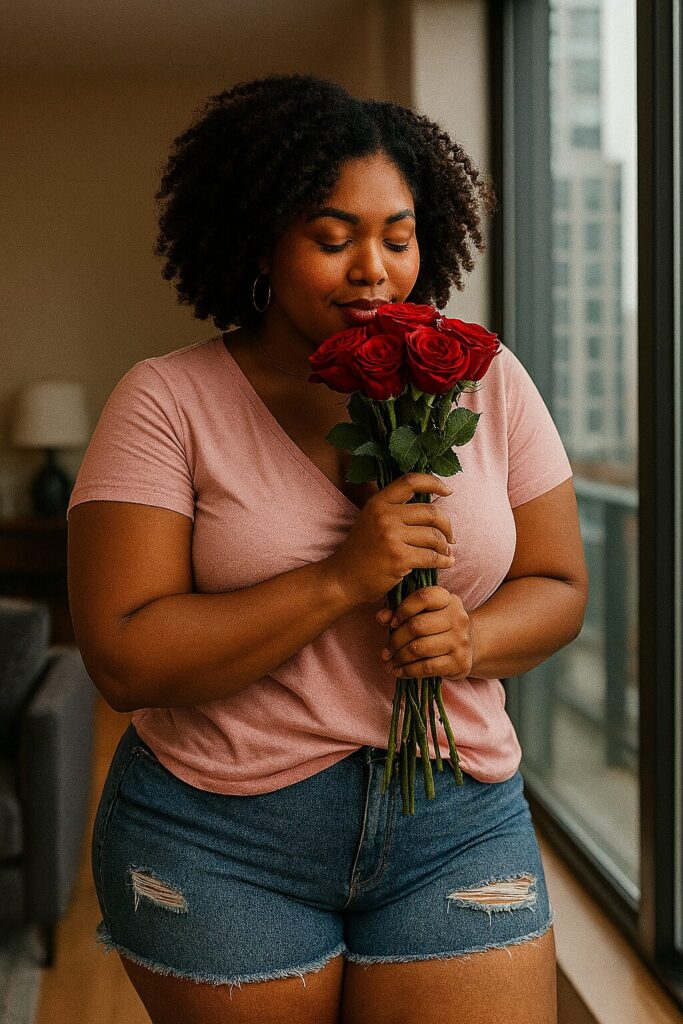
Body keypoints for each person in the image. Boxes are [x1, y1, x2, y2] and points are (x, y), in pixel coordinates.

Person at [67, 72, 588, 1024]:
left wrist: (469, 640)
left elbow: (557, 583)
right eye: (332, 236)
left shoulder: (487, 380)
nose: (373, 271)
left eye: (397, 237)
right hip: (217, 834)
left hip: (457, 825)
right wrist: (342, 579)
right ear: (259, 237)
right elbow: (123, 655)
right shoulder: (166, 400)